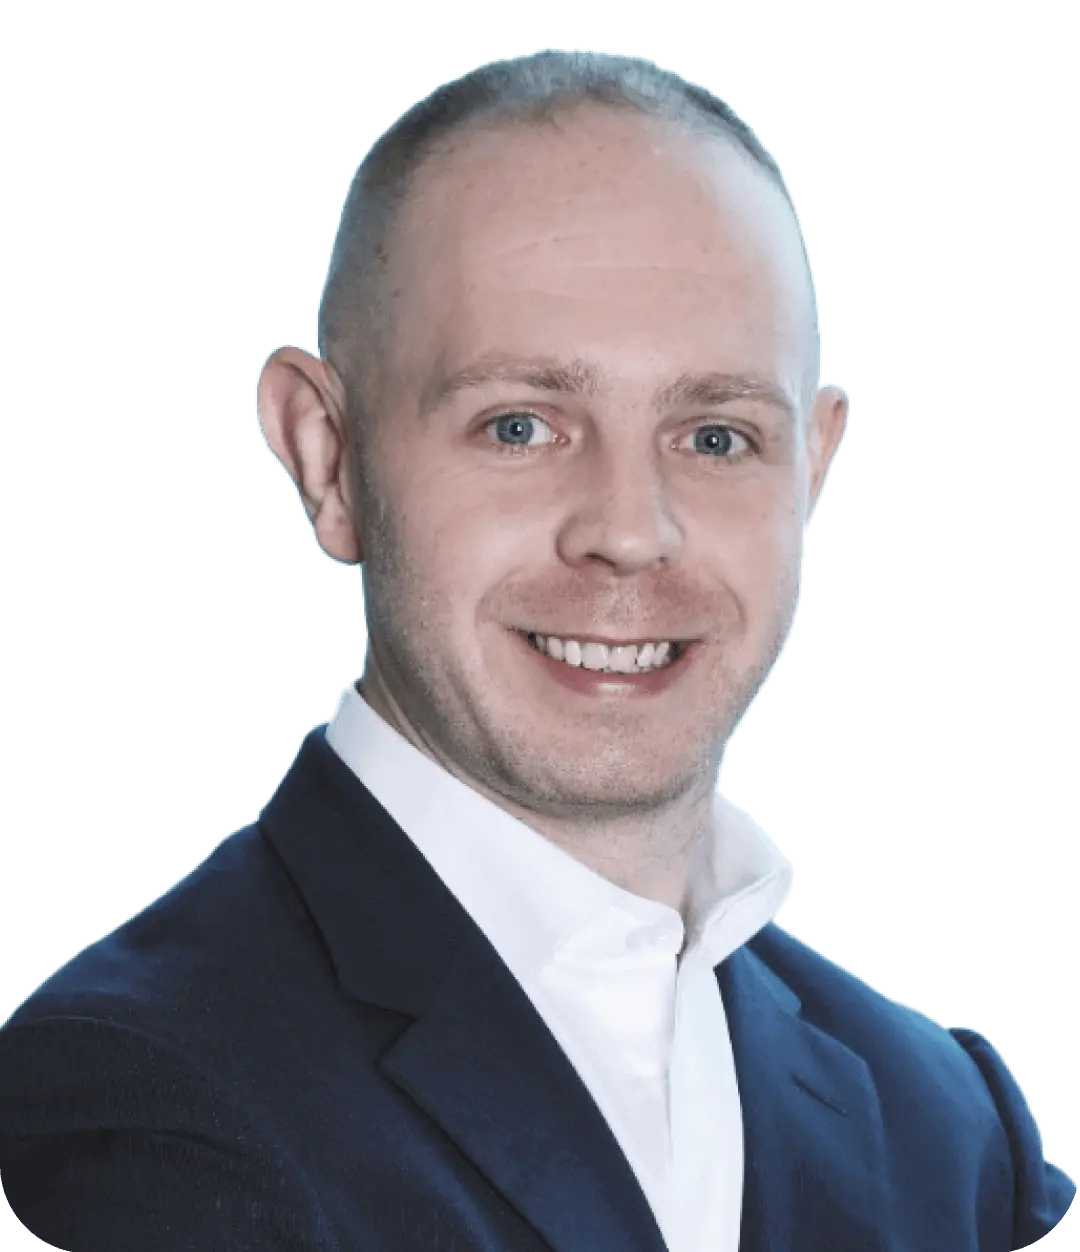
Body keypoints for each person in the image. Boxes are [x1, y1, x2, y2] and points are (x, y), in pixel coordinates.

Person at [0, 47, 1073, 1252]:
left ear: (809, 471)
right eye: (520, 425)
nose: (630, 531)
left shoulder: (947, 1130)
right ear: (326, 456)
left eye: (716, 437)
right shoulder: (143, 1098)